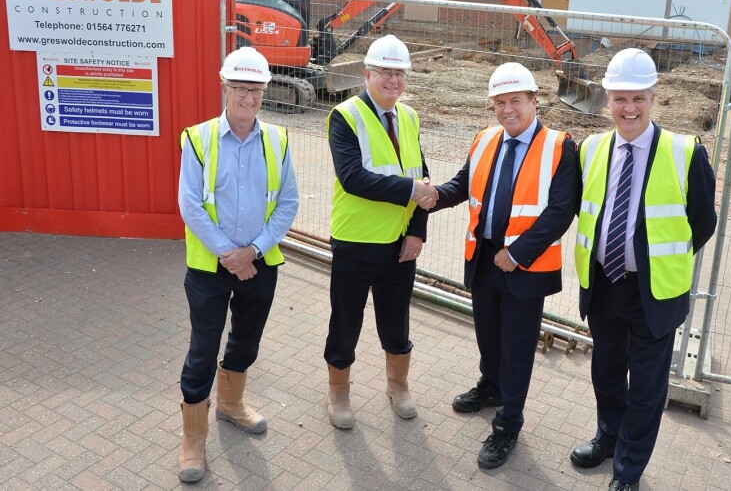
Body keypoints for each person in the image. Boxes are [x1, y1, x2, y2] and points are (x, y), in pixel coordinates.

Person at [569, 48, 717, 491]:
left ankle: (629, 470)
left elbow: (703, 223)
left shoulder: (685, 151)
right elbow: (583, 209)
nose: (628, 108)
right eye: (619, 99)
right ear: (607, 99)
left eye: (638, 98)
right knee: (606, 373)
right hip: (605, 285)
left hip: (655, 292)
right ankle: (608, 439)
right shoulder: (591, 149)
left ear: (654, 98)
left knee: (647, 387)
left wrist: (658, 260)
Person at [420, 62, 578, 469]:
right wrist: (434, 196)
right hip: (485, 258)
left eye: (515, 101)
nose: (508, 110)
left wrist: (518, 252)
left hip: (525, 266)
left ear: (533, 101)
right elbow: (463, 184)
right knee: (488, 336)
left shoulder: (560, 146)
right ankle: (491, 388)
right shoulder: (485, 139)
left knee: (518, 348)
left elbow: (561, 211)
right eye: (500, 103)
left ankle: (509, 422)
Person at [176, 46, 299, 482]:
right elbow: (190, 205)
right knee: (202, 350)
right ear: (224, 87)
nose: (249, 99)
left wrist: (255, 251)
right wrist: (231, 254)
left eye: (256, 90)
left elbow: (288, 203)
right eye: (241, 89)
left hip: (259, 263)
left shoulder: (279, 140)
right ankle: (193, 438)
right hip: (211, 266)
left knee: (246, 342)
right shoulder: (197, 138)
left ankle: (230, 404)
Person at [324, 34, 436, 429]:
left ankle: (398, 385)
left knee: (396, 318)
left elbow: (421, 177)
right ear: (367, 73)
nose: (393, 80)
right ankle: (339, 393)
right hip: (356, 241)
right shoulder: (345, 116)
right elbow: (353, 178)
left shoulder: (409, 116)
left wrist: (417, 231)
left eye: (399, 73)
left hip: (399, 244)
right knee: (346, 320)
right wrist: (411, 191)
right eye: (385, 72)